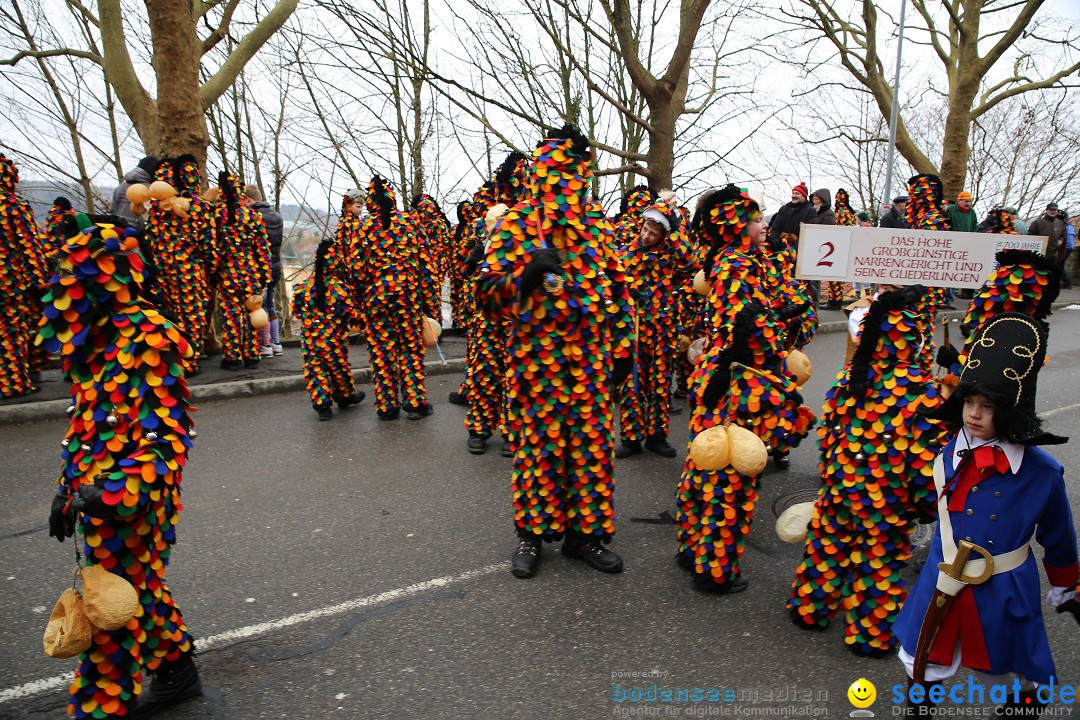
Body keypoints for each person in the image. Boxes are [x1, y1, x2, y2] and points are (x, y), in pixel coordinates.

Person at [43, 217, 202, 718]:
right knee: (137, 587)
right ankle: (176, 668)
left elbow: (166, 437)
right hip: (95, 493)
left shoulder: (150, 337)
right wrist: (67, 489)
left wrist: (117, 493)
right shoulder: (92, 345)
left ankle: (99, 708)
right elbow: (87, 427)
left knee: (108, 611)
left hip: (135, 499)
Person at [892, 313, 1077, 717]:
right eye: (969, 403)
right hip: (942, 578)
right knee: (924, 660)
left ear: (1009, 412)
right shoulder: (949, 452)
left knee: (1025, 672)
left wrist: (1067, 586)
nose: (974, 414)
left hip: (1005, 586)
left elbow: (1058, 535)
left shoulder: (1042, 472)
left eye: (987, 406)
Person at [477, 124, 635, 579]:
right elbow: (484, 296)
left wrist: (622, 353)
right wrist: (523, 277)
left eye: (569, 174)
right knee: (538, 449)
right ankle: (531, 533)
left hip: (589, 363)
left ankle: (585, 536)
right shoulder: (514, 223)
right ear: (538, 175)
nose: (562, 184)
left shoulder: (598, 230)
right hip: (535, 363)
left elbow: (620, 293)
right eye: (551, 172)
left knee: (589, 449)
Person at [788, 286, 947, 657]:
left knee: (827, 547)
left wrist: (831, 475)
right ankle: (869, 634)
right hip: (886, 499)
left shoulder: (849, 379)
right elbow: (926, 460)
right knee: (878, 561)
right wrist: (925, 504)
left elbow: (828, 436)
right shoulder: (924, 392)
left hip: (840, 487)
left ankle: (810, 609)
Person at [676, 185, 812, 594]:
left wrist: (784, 312)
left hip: (723, 376)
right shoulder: (737, 264)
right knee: (730, 471)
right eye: (756, 220)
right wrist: (782, 318)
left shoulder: (744, 261)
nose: (764, 225)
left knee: (706, 462)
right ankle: (715, 570)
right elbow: (750, 332)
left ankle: (692, 547)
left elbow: (781, 314)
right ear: (736, 227)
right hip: (739, 384)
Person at [615, 191, 696, 459]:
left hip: (663, 327)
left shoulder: (671, 257)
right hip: (634, 329)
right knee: (632, 384)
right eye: (645, 229)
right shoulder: (627, 253)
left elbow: (690, 263)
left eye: (653, 233)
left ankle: (657, 436)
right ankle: (630, 437)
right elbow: (615, 282)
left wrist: (673, 229)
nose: (647, 236)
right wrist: (628, 291)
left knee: (661, 383)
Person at [358, 176, 431, 420]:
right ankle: (414, 403)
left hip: (375, 300)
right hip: (408, 297)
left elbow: (356, 272)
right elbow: (425, 266)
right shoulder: (411, 223)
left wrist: (361, 304)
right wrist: (428, 305)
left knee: (382, 352)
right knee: (410, 350)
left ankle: (387, 406)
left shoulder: (363, 228)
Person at [292, 239, 365, 420]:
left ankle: (322, 405)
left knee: (316, 369)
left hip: (310, 339)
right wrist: (364, 323)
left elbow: (296, 311)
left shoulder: (303, 287)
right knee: (338, 368)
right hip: (334, 339)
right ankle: (345, 396)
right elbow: (351, 315)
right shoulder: (339, 288)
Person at [0, 154, 50, 398]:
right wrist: (39, 281)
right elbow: (29, 246)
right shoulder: (13, 206)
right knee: (12, 330)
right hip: (8, 283)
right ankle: (13, 383)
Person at [210, 172, 271, 370]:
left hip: (227, 273)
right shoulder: (253, 216)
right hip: (250, 273)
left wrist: (213, 272)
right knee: (252, 313)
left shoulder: (218, 216)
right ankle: (252, 355)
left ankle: (232, 357)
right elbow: (263, 249)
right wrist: (263, 275)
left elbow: (213, 249)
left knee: (230, 316)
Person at [244, 185, 284, 357]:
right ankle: (276, 343)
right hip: (277, 265)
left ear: (248, 199)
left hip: (261, 267)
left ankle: (265, 344)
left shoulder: (254, 217)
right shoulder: (277, 216)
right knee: (270, 304)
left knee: (261, 305)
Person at [109, 156, 159, 230]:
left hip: (118, 231)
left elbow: (111, 213)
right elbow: (146, 220)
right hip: (136, 235)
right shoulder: (149, 190)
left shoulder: (120, 187)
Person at [1028, 203, 1067, 287]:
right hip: (1039, 255)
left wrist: (1060, 241)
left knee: (1052, 276)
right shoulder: (1037, 222)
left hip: (1053, 255)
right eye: (1051, 210)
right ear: (1046, 210)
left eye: (1054, 210)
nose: (1052, 212)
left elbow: (1062, 236)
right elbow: (1030, 235)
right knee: (1038, 276)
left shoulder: (1060, 223)